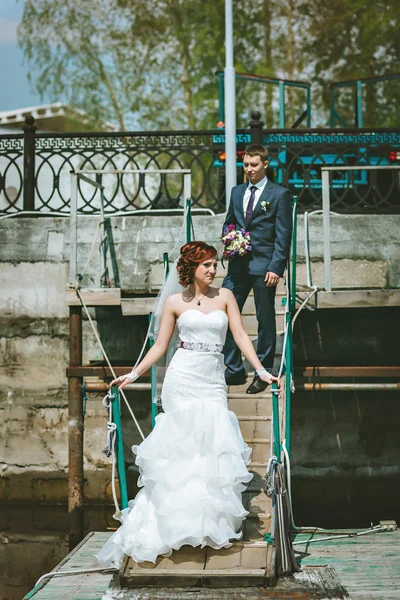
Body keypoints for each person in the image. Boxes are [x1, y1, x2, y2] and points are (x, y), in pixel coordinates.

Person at [96, 241, 279, 568]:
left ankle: (205, 524)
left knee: (210, 448)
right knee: (182, 452)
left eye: (214, 264)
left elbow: (239, 336)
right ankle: (173, 523)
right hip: (182, 379)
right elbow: (160, 346)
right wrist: (134, 373)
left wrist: (262, 370)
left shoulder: (225, 297)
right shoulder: (173, 302)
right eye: (207, 265)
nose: (213, 270)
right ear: (192, 267)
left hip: (212, 380)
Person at [222, 144, 293, 394]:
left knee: (265, 319)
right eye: (246, 165)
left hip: (265, 268)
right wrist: (228, 239)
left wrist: (277, 266)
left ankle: (263, 372)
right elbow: (229, 221)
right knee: (224, 314)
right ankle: (233, 369)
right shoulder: (236, 191)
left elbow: (284, 235)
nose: (249, 169)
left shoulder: (279, 194)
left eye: (254, 165)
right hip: (237, 266)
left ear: (265, 164)